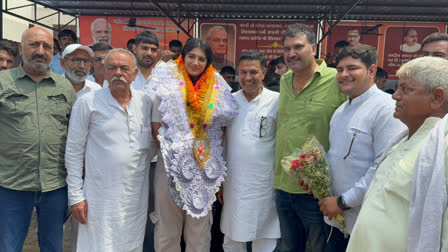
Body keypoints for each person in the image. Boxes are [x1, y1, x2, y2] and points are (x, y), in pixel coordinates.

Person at [346, 56, 448, 252]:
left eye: (406, 89)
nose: (395, 95)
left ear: (436, 98)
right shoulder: (402, 140)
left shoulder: (442, 146)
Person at [148, 38, 238, 252]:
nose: (195, 63)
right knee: (167, 226)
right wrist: (176, 156)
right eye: (191, 57)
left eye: (201, 59)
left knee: (200, 228)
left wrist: (201, 154)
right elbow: (155, 127)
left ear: (207, 63)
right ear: (183, 57)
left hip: (204, 164)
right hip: (169, 164)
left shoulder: (218, 87)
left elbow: (222, 128)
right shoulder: (166, 82)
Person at [314, 45, 406, 251]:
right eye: (339, 69)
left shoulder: (387, 108)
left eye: (352, 68)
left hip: (365, 221)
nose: (344, 75)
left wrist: (344, 201)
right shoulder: (340, 111)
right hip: (335, 218)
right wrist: (315, 179)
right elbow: (335, 156)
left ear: (372, 71)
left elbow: (384, 168)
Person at [66, 48, 156, 251]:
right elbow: (73, 151)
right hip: (99, 198)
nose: (118, 73)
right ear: (104, 72)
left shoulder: (146, 102)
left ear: (134, 74)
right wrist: (75, 195)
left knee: (132, 244)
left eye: (124, 68)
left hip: (135, 197)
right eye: (112, 68)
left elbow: (151, 145)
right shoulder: (88, 103)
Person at [0, 27, 77, 252]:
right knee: (8, 245)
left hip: (55, 184)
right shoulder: (3, 82)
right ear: (21, 49)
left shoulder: (64, 87)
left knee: (53, 245)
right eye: (34, 45)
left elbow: (75, 132)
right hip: (11, 183)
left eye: (47, 47)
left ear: (54, 52)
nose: (40, 51)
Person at [274, 23, 347, 252]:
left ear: (313, 48)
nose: (291, 53)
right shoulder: (285, 81)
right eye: (286, 49)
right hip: (283, 186)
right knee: (289, 246)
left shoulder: (336, 79)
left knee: (319, 247)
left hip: (316, 190)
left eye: (298, 47)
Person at [220, 50, 280, 252]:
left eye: (253, 72)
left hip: (265, 183)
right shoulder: (228, 101)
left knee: (265, 235)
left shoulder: (277, 101)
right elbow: (219, 141)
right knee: (233, 234)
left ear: (264, 72)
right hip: (234, 182)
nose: (247, 78)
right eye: (243, 72)